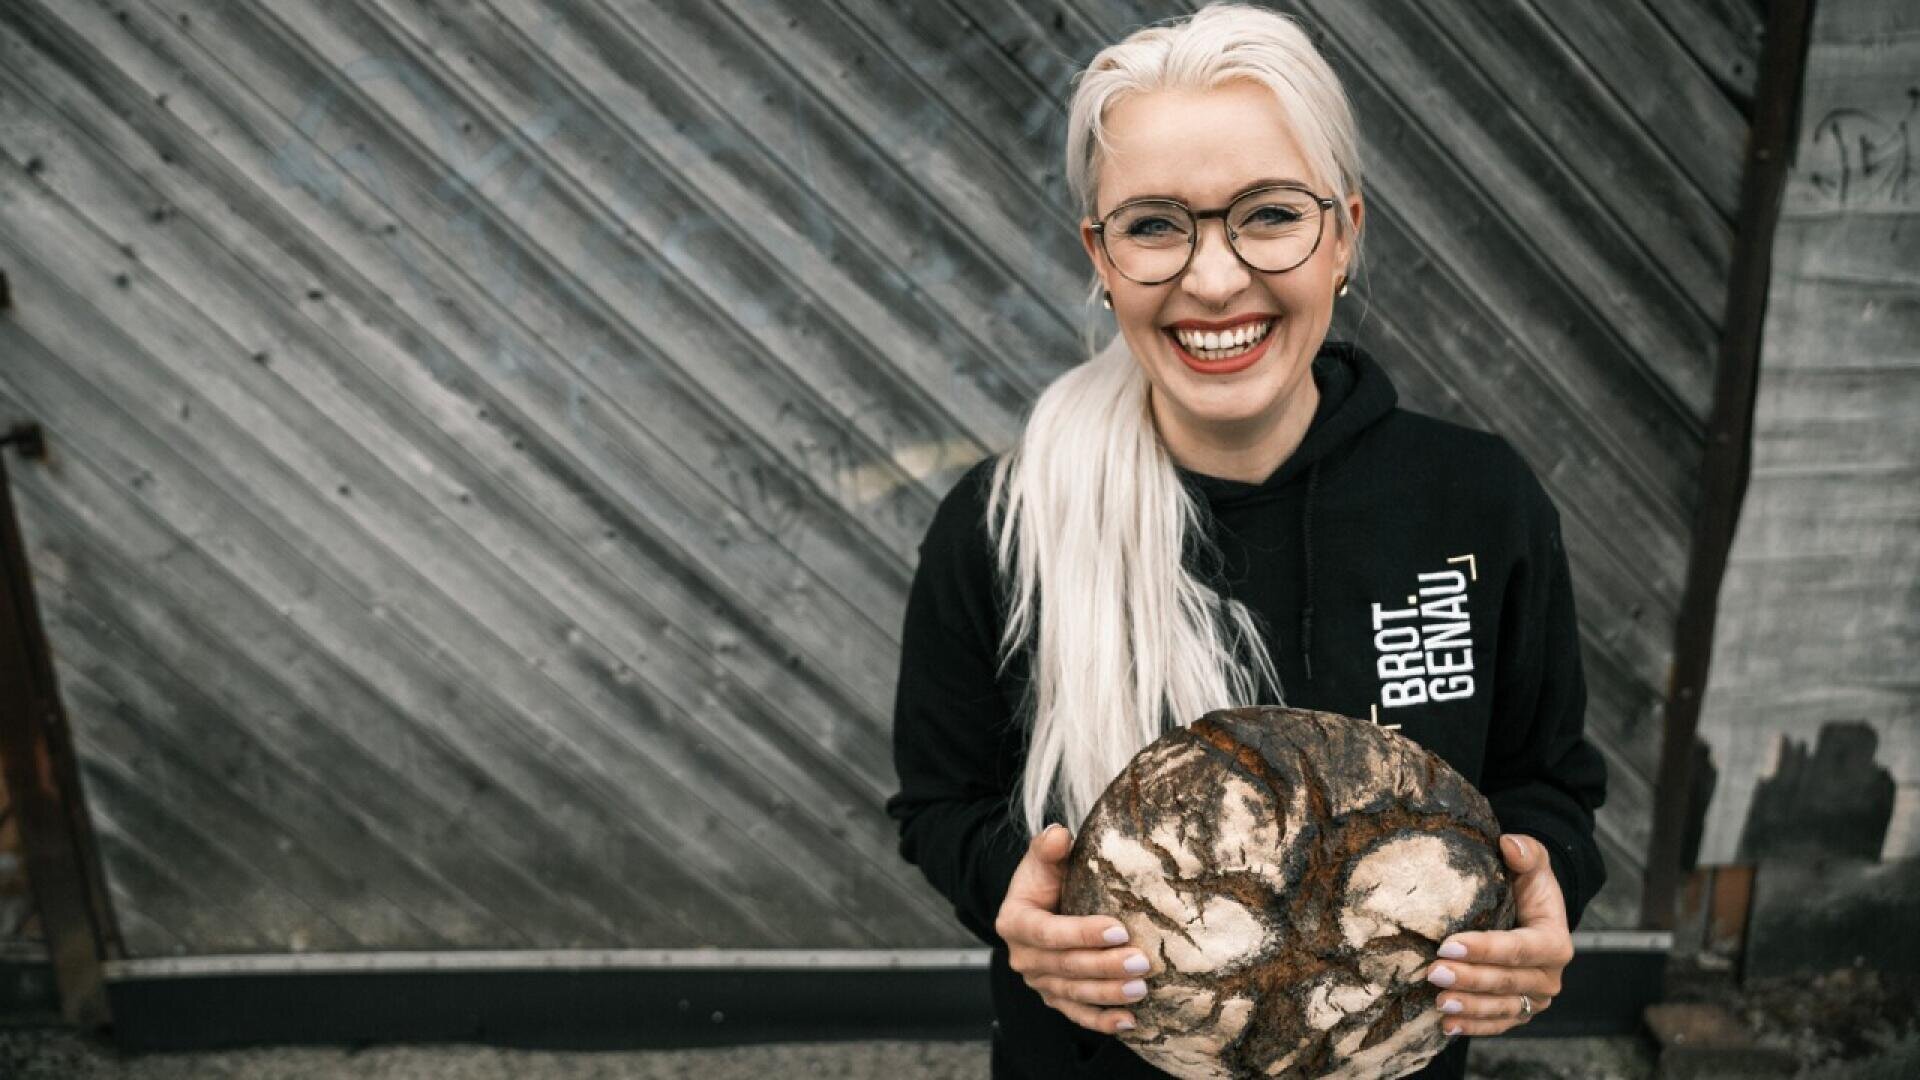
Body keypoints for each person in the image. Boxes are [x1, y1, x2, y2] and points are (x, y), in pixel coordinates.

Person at [884, 4, 1608, 1078]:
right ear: (1100, 256)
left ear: (1344, 233)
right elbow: (942, 805)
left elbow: (1547, 781)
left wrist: (1543, 885)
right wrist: (1018, 898)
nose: (1214, 279)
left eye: (1268, 215)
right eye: (1154, 225)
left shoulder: (1474, 501)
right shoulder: (1010, 521)